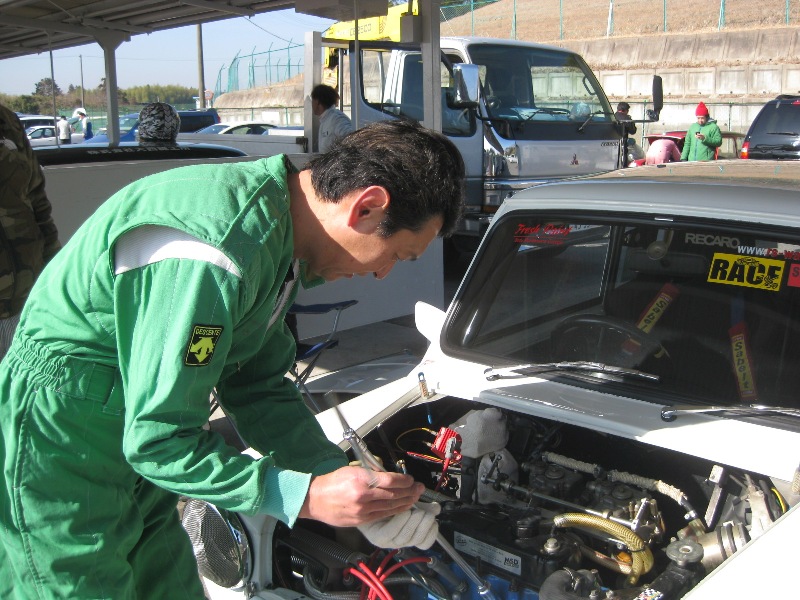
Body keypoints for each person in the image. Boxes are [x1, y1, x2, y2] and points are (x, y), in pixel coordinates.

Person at [0, 118, 464, 599]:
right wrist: (303, 497)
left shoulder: (281, 233)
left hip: (134, 429)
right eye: (396, 255)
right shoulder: (214, 250)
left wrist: (343, 484)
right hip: (61, 435)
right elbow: (160, 442)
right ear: (366, 206)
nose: (383, 273)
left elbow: (257, 385)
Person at [0, 104, 60, 362]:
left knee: (24, 380)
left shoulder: (6, 121)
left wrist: (54, 268)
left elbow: (37, 200)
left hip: (25, 297)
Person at [311, 83, 354, 152]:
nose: (311, 104)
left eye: (312, 100)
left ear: (317, 102)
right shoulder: (325, 120)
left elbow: (352, 138)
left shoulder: (337, 118)